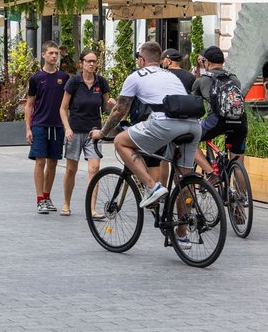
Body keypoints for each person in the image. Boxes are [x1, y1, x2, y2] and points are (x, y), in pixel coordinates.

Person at [91, 41, 202, 210]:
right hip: (193, 126)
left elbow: (119, 110)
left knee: (120, 141)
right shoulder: (171, 75)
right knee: (183, 181)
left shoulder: (136, 76)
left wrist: (102, 132)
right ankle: (182, 232)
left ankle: (152, 186)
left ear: (142, 60)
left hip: (166, 124)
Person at [59, 50, 113, 217]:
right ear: (81, 63)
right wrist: (67, 128)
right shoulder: (74, 82)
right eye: (88, 61)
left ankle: (92, 208)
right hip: (74, 131)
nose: (91, 64)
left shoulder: (101, 83)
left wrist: (112, 105)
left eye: (94, 61)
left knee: (95, 168)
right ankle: (66, 203)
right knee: (71, 170)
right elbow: (63, 108)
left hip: (94, 132)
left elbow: (105, 107)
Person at [191, 46, 248, 182]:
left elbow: (193, 104)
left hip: (217, 122)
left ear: (207, 62)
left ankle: (211, 172)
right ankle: (241, 201)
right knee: (239, 164)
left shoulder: (202, 80)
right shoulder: (234, 79)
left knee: (187, 139)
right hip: (240, 123)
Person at [25, 40, 68, 214]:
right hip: (39, 124)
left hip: (57, 125)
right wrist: (28, 128)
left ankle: (47, 195)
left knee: (53, 162)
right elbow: (29, 104)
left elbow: (66, 105)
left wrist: (67, 126)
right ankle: (39, 199)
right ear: (43, 55)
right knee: (40, 161)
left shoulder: (64, 78)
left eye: (56, 53)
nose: (54, 56)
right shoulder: (36, 78)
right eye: (51, 53)